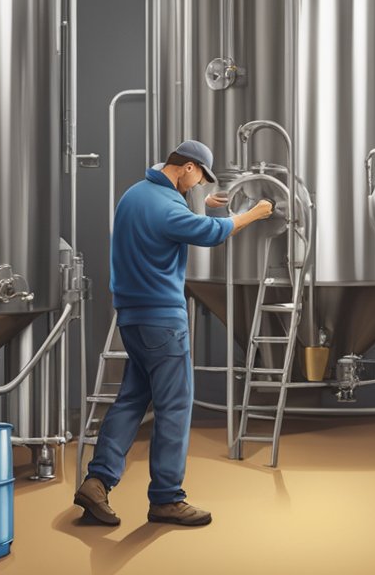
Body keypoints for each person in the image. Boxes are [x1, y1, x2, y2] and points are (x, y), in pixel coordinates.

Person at [73, 140, 272, 527]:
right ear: (188, 167)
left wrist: (209, 206)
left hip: (132, 319)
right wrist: (253, 214)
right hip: (163, 321)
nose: (196, 186)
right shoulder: (166, 205)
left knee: (131, 400)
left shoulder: (136, 195)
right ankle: (166, 498)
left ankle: (96, 482)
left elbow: (171, 228)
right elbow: (208, 234)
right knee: (175, 409)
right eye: (198, 179)